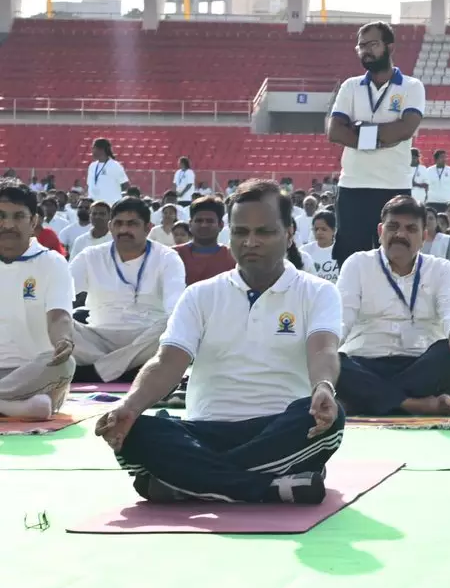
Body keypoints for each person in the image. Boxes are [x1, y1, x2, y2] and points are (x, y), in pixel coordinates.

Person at [93, 181, 344, 505]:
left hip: (280, 431)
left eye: (264, 232)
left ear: (290, 232)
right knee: (135, 431)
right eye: (241, 232)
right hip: (204, 433)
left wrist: (323, 386)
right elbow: (166, 362)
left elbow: (323, 348)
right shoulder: (200, 294)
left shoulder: (318, 292)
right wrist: (129, 405)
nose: (250, 242)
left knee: (329, 418)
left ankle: (186, 483)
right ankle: (267, 487)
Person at [334, 196, 450, 417]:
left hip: (419, 363)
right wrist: (328, 344)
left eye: (410, 229)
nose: (400, 235)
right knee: (331, 360)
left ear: (424, 236)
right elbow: (342, 316)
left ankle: (365, 399)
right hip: (366, 362)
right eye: (393, 227)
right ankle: (415, 404)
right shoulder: (358, 264)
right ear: (381, 231)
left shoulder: (441, 269)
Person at [327, 23, 428, 266]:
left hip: (393, 186)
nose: (365, 51)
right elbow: (335, 132)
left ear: (389, 47)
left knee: (396, 257)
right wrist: (383, 137)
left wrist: (361, 133)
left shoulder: (412, 86)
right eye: (361, 46)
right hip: (353, 185)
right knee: (350, 261)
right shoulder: (350, 86)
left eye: (372, 44)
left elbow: (404, 130)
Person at [69, 196, 187, 383]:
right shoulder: (91, 256)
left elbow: (176, 304)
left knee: (174, 321)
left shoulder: (167, 257)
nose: (124, 230)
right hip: (97, 339)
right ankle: (126, 370)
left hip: (145, 338)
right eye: (119, 224)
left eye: (132, 224)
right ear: (110, 227)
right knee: (50, 318)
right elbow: (60, 295)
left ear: (148, 228)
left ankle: (95, 372)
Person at [0, 180, 77, 420]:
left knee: (66, 363)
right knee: (38, 405)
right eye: (1, 216)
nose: (8, 225)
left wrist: (63, 340)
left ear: (33, 221)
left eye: (18, 216)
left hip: (35, 374)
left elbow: (59, 315)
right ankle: (11, 407)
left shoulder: (51, 262)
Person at [174, 195, 238, 286]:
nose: (204, 225)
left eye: (210, 221)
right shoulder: (174, 255)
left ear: (221, 225)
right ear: (190, 224)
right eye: (199, 221)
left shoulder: (233, 258)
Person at [85, 138, 128, 207]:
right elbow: (89, 185)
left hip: (111, 206)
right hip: (94, 206)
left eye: (94, 148)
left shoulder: (115, 165)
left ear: (101, 149)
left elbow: (125, 185)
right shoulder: (92, 166)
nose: (92, 151)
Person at [301, 209, 340, 283]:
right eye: (316, 229)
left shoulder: (342, 250)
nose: (319, 232)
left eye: (324, 229)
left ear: (334, 230)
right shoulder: (304, 251)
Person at [421, 149, 450, 216]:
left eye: (445, 157)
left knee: (447, 222)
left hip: (448, 202)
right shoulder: (429, 171)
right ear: (436, 159)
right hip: (432, 201)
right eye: (442, 157)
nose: (444, 159)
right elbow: (425, 185)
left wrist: (448, 193)